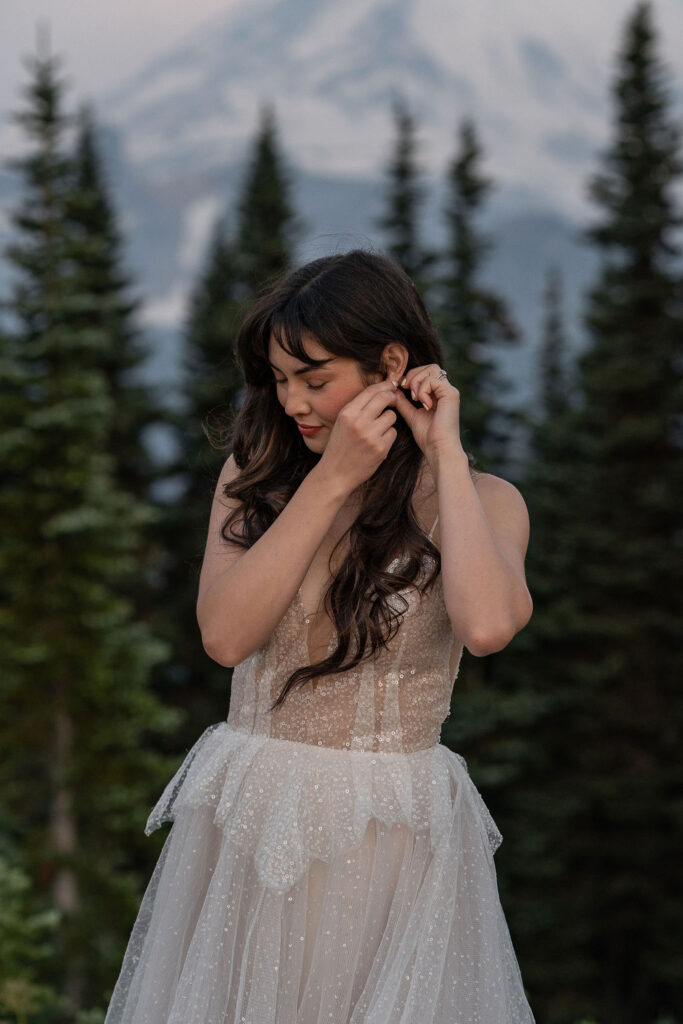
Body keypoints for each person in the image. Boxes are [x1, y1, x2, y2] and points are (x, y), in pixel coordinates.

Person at [104, 248, 536, 1023]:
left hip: (393, 831)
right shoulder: (258, 469)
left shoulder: (487, 500)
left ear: (391, 365)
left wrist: (443, 451)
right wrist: (331, 480)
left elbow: (489, 625)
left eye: (315, 378)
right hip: (255, 813)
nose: (293, 401)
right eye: (278, 379)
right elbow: (225, 637)